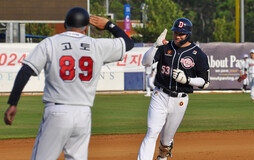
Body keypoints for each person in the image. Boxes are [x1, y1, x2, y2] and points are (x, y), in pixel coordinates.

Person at [4, 7, 133, 160]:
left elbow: (25, 71)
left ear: (65, 24)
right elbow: (128, 43)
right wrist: (108, 24)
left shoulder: (50, 43)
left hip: (57, 111)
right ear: (86, 28)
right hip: (84, 114)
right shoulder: (97, 45)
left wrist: (13, 102)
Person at [137, 18, 210, 160]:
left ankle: (163, 155)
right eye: (176, 32)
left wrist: (187, 80)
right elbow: (145, 62)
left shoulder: (198, 54)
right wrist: (155, 46)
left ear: (188, 34)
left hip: (180, 100)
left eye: (181, 34)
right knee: (152, 132)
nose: (177, 36)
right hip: (160, 95)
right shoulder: (165, 47)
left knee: (165, 141)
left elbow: (205, 82)